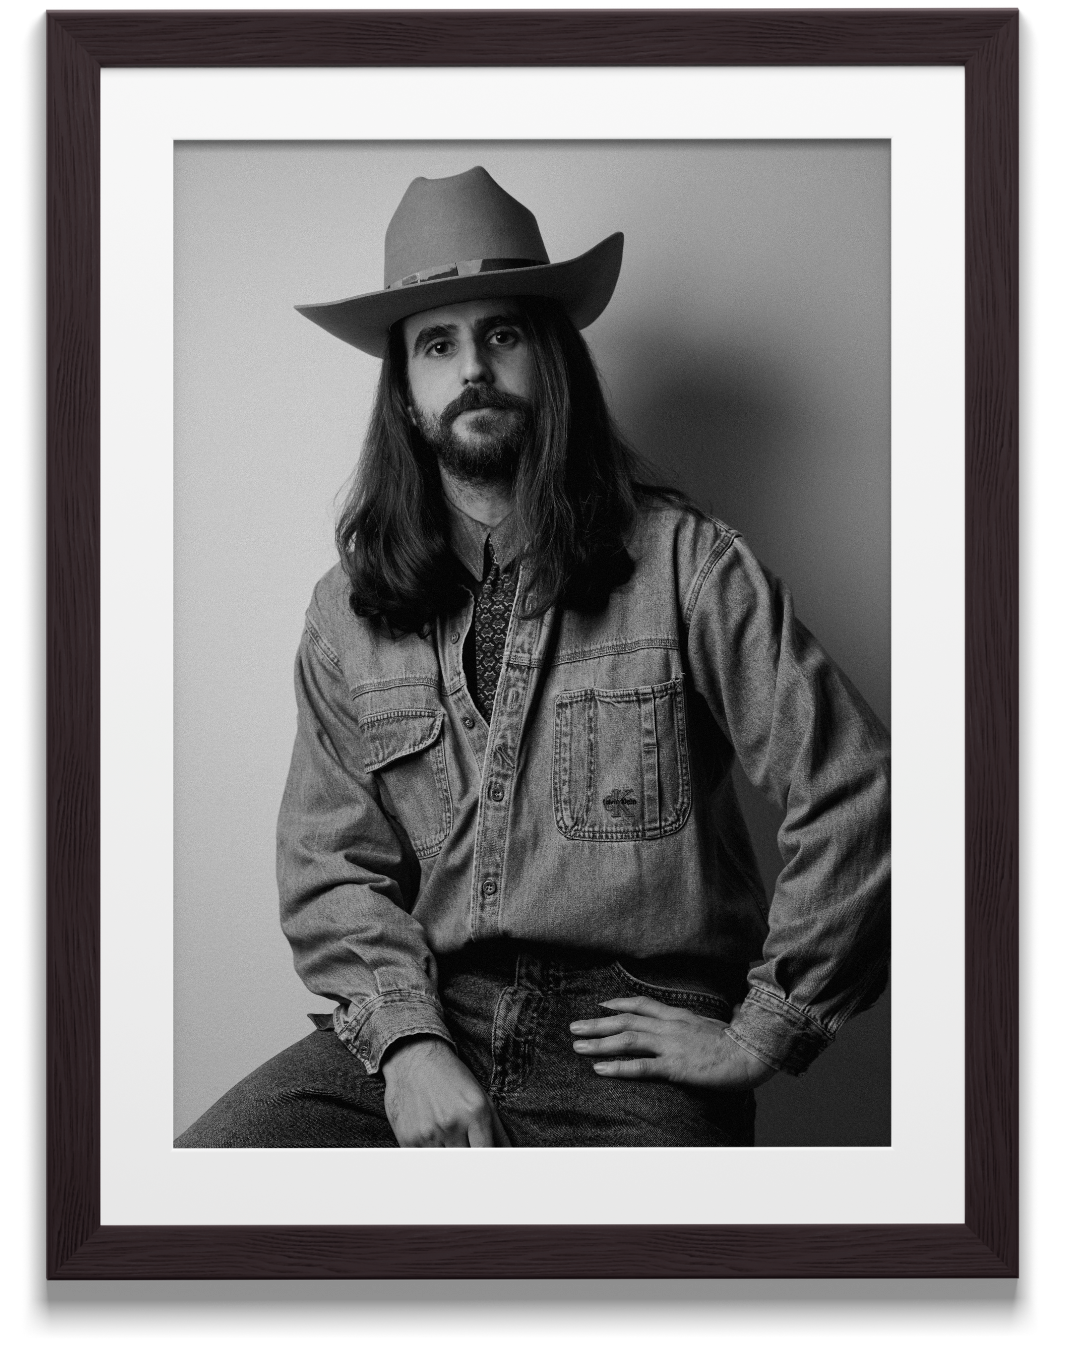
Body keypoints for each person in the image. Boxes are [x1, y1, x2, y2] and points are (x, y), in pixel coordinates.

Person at [176, 166, 890, 1149]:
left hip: (630, 1033)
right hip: (431, 1016)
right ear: (406, 391)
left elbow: (855, 788)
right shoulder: (344, 614)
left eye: (501, 333)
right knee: (200, 1181)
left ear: (548, 358)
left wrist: (763, 1032)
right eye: (438, 343)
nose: (472, 366)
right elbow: (327, 858)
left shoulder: (686, 564)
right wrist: (410, 1048)